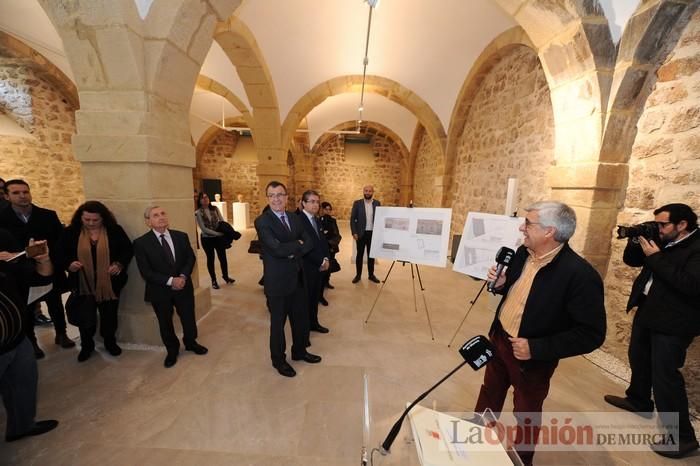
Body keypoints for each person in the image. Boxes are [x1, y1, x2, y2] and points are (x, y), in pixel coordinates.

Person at [474, 201, 606, 466]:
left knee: (526, 412)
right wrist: (502, 284)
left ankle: (521, 460)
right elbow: (519, 292)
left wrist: (538, 348)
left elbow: (592, 334)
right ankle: (474, 440)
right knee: (489, 393)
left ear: (549, 232)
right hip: (500, 339)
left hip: (532, 359)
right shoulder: (523, 252)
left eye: (529, 223)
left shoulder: (580, 275)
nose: (522, 227)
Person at [604, 203, 699, 459]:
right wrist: (636, 239)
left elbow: (691, 285)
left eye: (662, 224)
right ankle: (639, 399)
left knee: (665, 376)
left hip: (675, 321)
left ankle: (683, 438)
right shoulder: (663, 237)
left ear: (682, 225)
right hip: (649, 309)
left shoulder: (696, 247)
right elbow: (632, 261)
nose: (658, 228)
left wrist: (657, 258)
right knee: (639, 357)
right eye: (655, 224)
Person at [0, 179, 75, 358]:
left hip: (49, 266)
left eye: (25, 192)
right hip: (20, 271)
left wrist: (52, 259)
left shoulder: (47, 215)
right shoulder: (2, 218)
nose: (22, 196)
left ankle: (61, 333)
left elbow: (60, 242)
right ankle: (31, 341)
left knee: (55, 302)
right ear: (7, 196)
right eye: (16, 193)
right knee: (26, 307)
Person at [255, 181, 321, 377]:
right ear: (268, 198)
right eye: (272, 195)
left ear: (286, 197)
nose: (276, 199)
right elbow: (275, 248)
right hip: (278, 282)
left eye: (280, 194)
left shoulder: (294, 217)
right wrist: (296, 246)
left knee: (300, 320)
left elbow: (309, 242)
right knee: (278, 325)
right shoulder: (262, 221)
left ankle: (299, 351)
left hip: (298, 278)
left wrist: (292, 249)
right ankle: (279, 360)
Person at [56, 201, 133, 362]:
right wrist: (69, 264)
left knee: (109, 315)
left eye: (95, 220)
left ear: (103, 218)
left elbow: (127, 250)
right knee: (85, 316)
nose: (91, 223)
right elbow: (60, 253)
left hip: (110, 284)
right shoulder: (71, 232)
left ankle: (110, 342)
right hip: (83, 283)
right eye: (87, 219)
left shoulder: (114, 231)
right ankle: (86, 345)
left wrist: (119, 264)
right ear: (80, 218)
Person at [133, 206, 208, 368]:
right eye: (155, 215)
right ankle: (172, 350)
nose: (161, 217)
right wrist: (170, 281)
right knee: (165, 322)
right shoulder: (141, 243)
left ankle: (191, 342)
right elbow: (146, 271)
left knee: (188, 317)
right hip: (160, 291)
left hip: (183, 287)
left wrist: (182, 277)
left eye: (163, 213)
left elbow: (190, 258)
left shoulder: (181, 236)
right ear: (148, 222)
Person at [0, 231, 58, 442]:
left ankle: (21, 426)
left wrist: (43, 260)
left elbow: (41, 277)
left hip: (16, 337)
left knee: (24, 384)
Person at [296, 190, 330, 335]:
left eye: (317, 202)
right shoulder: (298, 220)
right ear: (303, 203)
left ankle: (314, 323)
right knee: (305, 301)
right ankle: (304, 332)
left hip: (319, 267)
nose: (316, 205)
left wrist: (327, 258)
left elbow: (322, 242)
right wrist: (320, 261)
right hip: (306, 267)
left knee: (315, 297)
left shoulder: (317, 219)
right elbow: (304, 247)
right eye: (312, 201)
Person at [194, 192, 234, 290]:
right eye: (202, 198)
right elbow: (203, 229)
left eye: (206, 197)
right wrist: (217, 233)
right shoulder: (198, 212)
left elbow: (221, 221)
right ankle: (214, 280)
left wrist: (225, 230)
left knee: (223, 258)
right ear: (199, 201)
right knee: (210, 259)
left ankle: (226, 276)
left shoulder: (215, 209)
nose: (205, 199)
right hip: (207, 239)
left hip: (218, 238)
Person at [350, 185, 380, 283]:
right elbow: (352, 219)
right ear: (363, 191)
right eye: (366, 191)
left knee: (371, 256)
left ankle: (371, 275)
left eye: (370, 191)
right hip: (361, 234)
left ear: (373, 192)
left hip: (373, 234)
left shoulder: (377, 203)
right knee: (360, 255)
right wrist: (354, 232)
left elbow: (380, 219)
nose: (367, 193)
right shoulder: (357, 203)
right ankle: (358, 275)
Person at [319, 201, 341, 303]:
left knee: (330, 265)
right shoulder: (318, 220)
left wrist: (331, 244)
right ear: (322, 210)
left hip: (331, 247)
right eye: (326, 209)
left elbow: (337, 234)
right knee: (322, 267)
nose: (327, 211)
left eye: (329, 209)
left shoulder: (333, 221)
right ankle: (321, 283)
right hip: (322, 249)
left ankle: (327, 282)